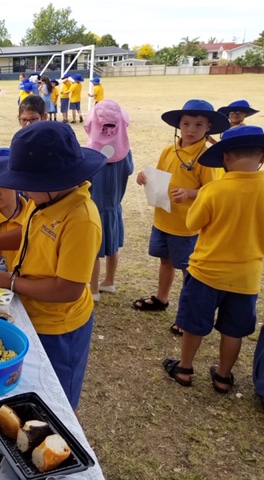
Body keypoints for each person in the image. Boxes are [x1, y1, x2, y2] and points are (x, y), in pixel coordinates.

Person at [0, 122, 107, 410]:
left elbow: (68, 289)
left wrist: (11, 282)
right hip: (31, 309)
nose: (23, 190)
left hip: (60, 326)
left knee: (55, 397)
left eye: (27, 183)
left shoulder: (81, 219)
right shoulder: (43, 200)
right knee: (28, 386)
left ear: (52, 181)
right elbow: (31, 230)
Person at [163, 125, 264, 394]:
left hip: (205, 272)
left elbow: (193, 222)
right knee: (233, 330)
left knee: (194, 323)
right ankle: (222, 376)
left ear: (225, 158)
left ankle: (184, 368)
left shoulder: (213, 190)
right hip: (246, 278)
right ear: (262, 158)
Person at [133, 100, 229, 335]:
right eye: (186, 123)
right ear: (178, 125)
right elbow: (159, 177)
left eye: (198, 124)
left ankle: (186, 317)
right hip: (163, 219)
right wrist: (145, 177)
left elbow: (213, 192)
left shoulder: (207, 156)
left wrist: (189, 193)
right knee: (165, 261)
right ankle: (161, 298)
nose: (191, 129)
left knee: (189, 271)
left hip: (187, 226)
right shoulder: (169, 150)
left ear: (208, 127)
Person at [84, 100, 134, 301]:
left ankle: (94, 289)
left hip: (95, 210)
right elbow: (129, 170)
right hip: (114, 207)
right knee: (112, 246)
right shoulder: (125, 152)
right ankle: (109, 281)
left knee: (94, 250)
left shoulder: (89, 154)